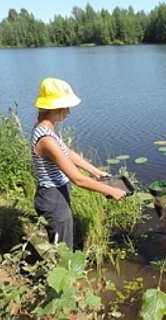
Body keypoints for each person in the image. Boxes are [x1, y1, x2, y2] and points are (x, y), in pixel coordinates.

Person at [31, 77, 127, 251]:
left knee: (63, 241)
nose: (68, 112)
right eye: (67, 107)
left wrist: (96, 172)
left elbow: (69, 154)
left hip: (56, 194)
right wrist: (111, 190)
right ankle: (63, 277)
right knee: (63, 249)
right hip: (52, 198)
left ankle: (65, 274)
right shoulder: (46, 139)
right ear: (56, 108)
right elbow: (78, 180)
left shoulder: (47, 128)